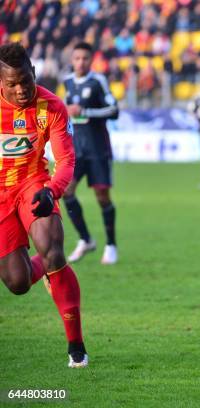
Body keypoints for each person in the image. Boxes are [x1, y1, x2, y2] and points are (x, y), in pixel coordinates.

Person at [0, 42, 88, 367]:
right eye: (12, 84)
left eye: (26, 80)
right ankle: (45, 266)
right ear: (1, 83)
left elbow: (66, 160)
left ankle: (76, 345)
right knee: (18, 283)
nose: (22, 89)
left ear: (34, 73)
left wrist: (52, 190)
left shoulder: (51, 107)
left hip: (33, 185)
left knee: (53, 246)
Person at [62, 42, 119, 264]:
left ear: (91, 60)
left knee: (102, 197)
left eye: (85, 58)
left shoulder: (98, 81)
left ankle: (111, 244)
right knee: (67, 191)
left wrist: (85, 111)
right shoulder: (67, 82)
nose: (80, 62)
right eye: (77, 58)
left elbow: (114, 110)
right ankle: (86, 239)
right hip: (76, 149)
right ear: (71, 60)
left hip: (98, 149)